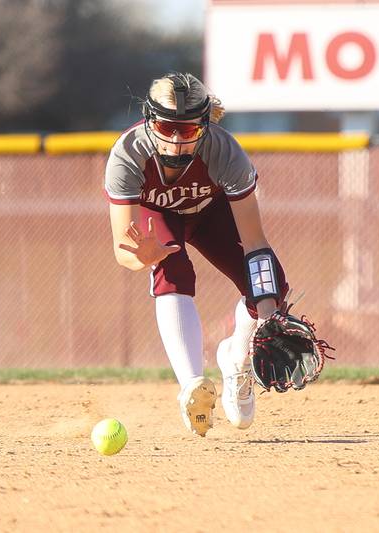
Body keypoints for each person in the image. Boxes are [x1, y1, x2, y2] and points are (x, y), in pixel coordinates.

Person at [105, 72, 289, 436]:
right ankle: (192, 386)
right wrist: (143, 256)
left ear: (204, 126)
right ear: (148, 119)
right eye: (166, 128)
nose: (175, 142)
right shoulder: (127, 154)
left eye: (187, 132)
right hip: (163, 216)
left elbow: (255, 244)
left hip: (212, 213)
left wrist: (268, 315)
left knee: (273, 288)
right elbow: (122, 251)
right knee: (172, 271)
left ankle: (236, 359)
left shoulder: (225, 151)